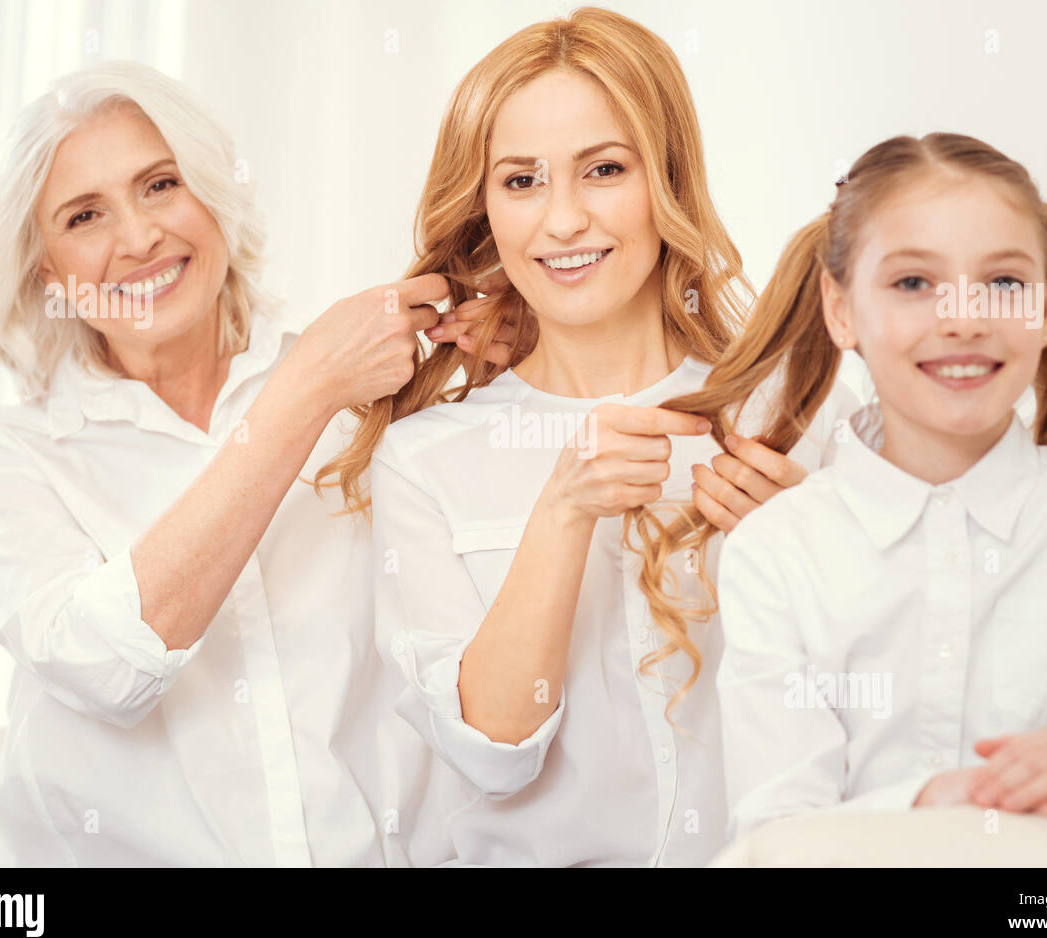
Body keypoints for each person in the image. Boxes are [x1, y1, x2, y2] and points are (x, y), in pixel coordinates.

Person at [317, 8, 859, 866]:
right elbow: (491, 745)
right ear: (486, 208)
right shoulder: (425, 461)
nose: (562, 220)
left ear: (668, 179)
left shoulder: (796, 415)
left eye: (603, 169)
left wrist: (812, 546)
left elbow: (886, 713)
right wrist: (563, 509)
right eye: (522, 181)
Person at [0, 60, 509, 866]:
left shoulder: (366, 393)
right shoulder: (4, 458)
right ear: (47, 271)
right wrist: (304, 388)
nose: (138, 238)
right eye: (84, 216)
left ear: (212, 193)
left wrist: (519, 370)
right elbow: (104, 664)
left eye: (161, 185)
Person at [715, 132, 1047, 842]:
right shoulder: (776, 553)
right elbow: (777, 832)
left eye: (1004, 283)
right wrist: (944, 800)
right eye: (913, 283)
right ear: (840, 309)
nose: (965, 318)